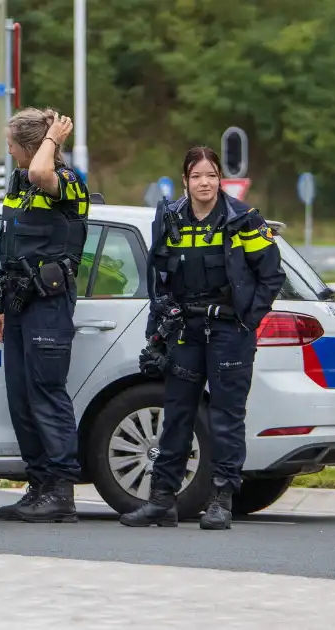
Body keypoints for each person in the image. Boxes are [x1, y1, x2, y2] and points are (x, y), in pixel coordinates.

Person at [121, 146, 285, 530]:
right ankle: (162, 500)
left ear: (220, 180)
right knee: (177, 415)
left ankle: (221, 500)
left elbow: (271, 276)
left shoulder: (242, 220)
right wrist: (155, 336)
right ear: (185, 181)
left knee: (226, 418)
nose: (205, 183)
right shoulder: (170, 218)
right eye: (197, 176)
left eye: (211, 175)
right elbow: (159, 281)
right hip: (184, 331)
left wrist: (248, 318)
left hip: (230, 331)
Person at [0, 107, 90, 523]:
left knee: (46, 394)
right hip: (18, 303)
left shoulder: (64, 181)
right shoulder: (19, 182)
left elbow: (40, 174)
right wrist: (2, 310)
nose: (8, 147)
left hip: (48, 304)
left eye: (12, 141)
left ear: (31, 146)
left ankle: (61, 491)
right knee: (21, 398)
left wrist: (52, 139)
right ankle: (39, 486)